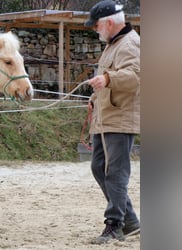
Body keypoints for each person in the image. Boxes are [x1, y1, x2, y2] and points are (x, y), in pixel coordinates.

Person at [84, 0, 140, 244]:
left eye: (96, 25)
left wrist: (107, 79)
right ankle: (130, 222)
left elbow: (136, 77)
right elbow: (111, 78)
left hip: (121, 118)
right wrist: (95, 97)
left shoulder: (131, 44)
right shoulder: (113, 44)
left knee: (115, 173)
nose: (95, 29)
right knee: (99, 167)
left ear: (108, 22)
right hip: (106, 117)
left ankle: (115, 224)